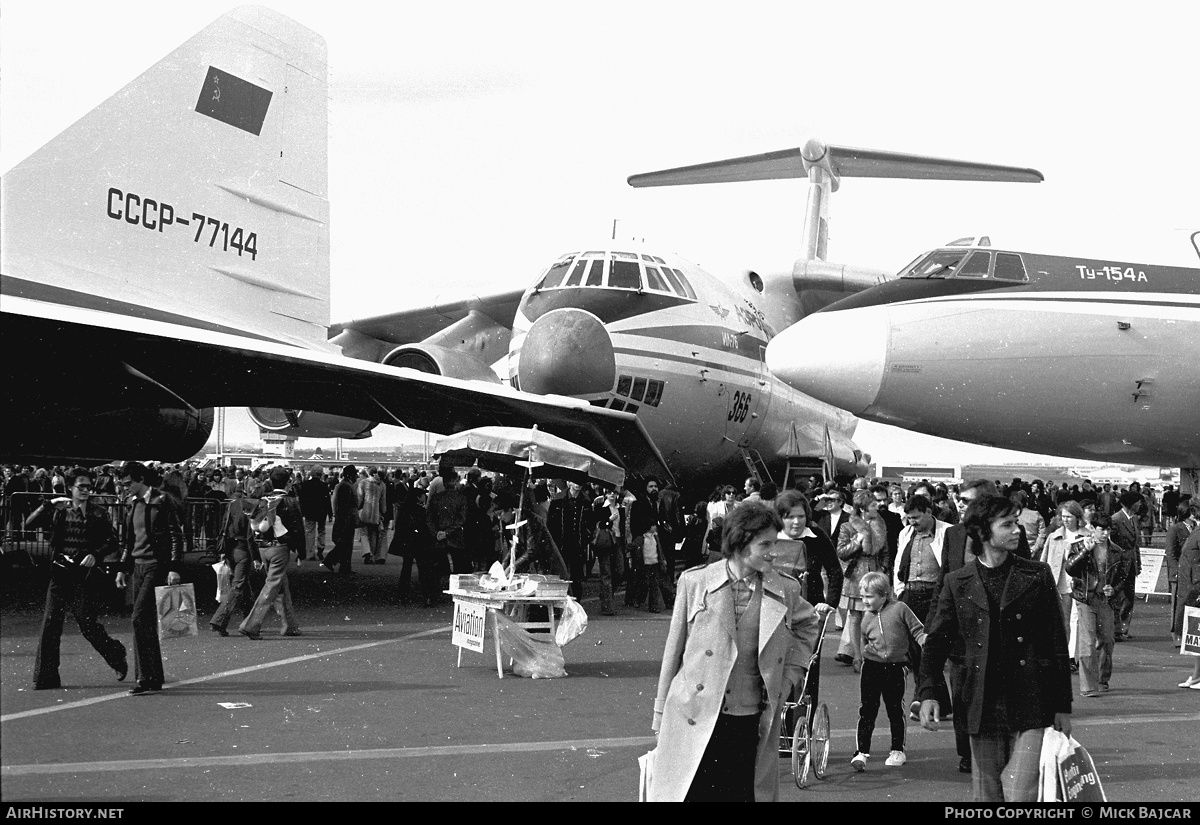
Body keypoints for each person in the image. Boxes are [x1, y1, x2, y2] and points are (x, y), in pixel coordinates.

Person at [648, 502, 819, 801]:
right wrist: (660, 712)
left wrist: (790, 675)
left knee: (742, 794)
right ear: (740, 542)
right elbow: (673, 650)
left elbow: (809, 626)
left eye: (775, 543)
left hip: (750, 717)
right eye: (765, 544)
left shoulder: (785, 589)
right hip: (694, 712)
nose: (774, 552)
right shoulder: (695, 581)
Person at [918, 495, 1072, 802]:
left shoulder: (1037, 575)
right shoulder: (956, 581)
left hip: (1031, 702)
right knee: (987, 795)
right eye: (1008, 524)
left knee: (1021, 792)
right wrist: (928, 693)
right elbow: (936, 642)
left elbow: (1056, 642)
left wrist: (1062, 706)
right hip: (980, 702)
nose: (1017, 530)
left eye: (1016, 522)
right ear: (983, 532)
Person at [27, 468, 128, 690]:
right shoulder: (59, 510)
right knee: (51, 623)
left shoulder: (98, 513)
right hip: (59, 573)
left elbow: (112, 540)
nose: (85, 490)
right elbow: (29, 525)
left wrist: (96, 554)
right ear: (70, 487)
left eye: (88, 486)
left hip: (84, 577)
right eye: (81, 486)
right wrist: (47, 505)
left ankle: (115, 653)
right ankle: (46, 676)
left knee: (88, 625)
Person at [114, 461, 184, 696]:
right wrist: (123, 568)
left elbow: (176, 535)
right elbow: (129, 540)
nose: (124, 488)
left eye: (127, 483)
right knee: (144, 621)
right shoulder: (132, 504)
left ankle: (144, 677)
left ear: (140, 480)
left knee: (139, 618)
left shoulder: (163, 501)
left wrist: (174, 567)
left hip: (156, 566)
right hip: (138, 567)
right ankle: (153, 676)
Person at [852, 570, 927, 771]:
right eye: (863, 596)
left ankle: (897, 750)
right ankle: (861, 751)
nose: (865, 601)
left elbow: (917, 629)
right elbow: (863, 639)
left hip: (896, 667)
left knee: (895, 709)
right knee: (867, 708)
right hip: (872, 666)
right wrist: (860, 656)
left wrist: (924, 642)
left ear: (884, 594)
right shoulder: (865, 618)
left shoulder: (900, 608)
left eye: (870, 597)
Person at [892, 494, 954, 720]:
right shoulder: (905, 533)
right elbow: (898, 562)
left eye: (916, 518)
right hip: (910, 594)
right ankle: (938, 703)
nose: (912, 523)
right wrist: (900, 592)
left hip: (935, 596)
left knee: (930, 649)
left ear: (929, 511)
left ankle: (922, 700)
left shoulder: (948, 532)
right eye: (908, 518)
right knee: (915, 652)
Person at [238, 468, 303, 639]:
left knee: (281, 585)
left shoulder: (262, 500)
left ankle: (290, 624)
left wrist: (256, 555)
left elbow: (251, 531)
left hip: (263, 547)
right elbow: (298, 528)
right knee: (272, 585)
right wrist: (301, 551)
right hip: (280, 548)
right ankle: (251, 624)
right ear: (288, 482)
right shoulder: (290, 501)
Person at [1064, 509, 1116, 697]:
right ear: (1092, 528)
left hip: (1105, 600)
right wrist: (1086, 550)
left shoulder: (1115, 550)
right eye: (1101, 530)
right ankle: (1088, 686)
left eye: (1108, 530)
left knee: (1107, 641)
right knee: (1087, 643)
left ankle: (1102, 679)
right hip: (1085, 599)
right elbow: (1069, 568)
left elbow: (1121, 577)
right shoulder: (1079, 546)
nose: (1105, 534)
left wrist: (1114, 589)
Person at [835, 491, 887, 671]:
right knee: (855, 618)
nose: (877, 507)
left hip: (875, 572)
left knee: (874, 617)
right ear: (863, 508)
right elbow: (841, 552)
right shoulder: (848, 526)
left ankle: (871, 654)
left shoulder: (880, 524)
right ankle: (857, 656)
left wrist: (885, 569)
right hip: (855, 575)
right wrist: (858, 540)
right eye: (873, 505)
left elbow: (886, 551)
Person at [208, 492, 258, 636]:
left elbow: (223, 529)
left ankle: (249, 620)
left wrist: (223, 551)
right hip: (243, 550)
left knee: (243, 586)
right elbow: (250, 536)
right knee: (238, 586)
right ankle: (218, 620)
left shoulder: (230, 508)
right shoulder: (247, 508)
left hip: (231, 550)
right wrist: (256, 557)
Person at [547, 480, 595, 600]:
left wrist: (586, 538)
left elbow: (590, 522)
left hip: (577, 544)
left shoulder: (586, 500)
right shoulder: (558, 499)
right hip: (561, 542)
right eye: (575, 480)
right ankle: (559, 603)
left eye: (579, 480)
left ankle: (576, 603)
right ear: (569, 482)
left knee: (577, 576)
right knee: (560, 574)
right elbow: (551, 522)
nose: (578, 483)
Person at [1109, 491, 1143, 640]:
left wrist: (1138, 563)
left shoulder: (1134, 520)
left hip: (1131, 564)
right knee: (1116, 597)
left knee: (1129, 597)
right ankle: (1115, 629)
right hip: (1119, 565)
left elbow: (1135, 545)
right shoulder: (1115, 520)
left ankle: (1123, 628)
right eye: (1138, 501)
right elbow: (1112, 544)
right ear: (1131, 503)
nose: (1140, 504)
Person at [1166, 501, 1198, 643]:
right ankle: (1176, 634)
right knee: (1177, 605)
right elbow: (1171, 552)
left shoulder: (1195, 528)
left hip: (1192, 573)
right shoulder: (1176, 529)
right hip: (1180, 572)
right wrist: (1174, 572)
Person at [592, 489, 627, 616]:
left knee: (620, 570)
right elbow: (597, 524)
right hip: (606, 541)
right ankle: (607, 606)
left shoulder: (621, 508)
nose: (612, 495)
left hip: (618, 541)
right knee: (606, 572)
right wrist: (609, 520)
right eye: (609, 492)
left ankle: (606, 594)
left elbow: (623, 526)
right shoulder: (601, 507)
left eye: (614, 493)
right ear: (605, 494)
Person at [324, 465, 360, 575]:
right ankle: (339, 564)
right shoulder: (346, 486)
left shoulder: (344, 485)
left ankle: (342, 565)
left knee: (345, 544)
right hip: (346, 519)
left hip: (345, 518)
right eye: (355, 474)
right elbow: (345, 505)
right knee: (346, 544)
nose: (356, 476)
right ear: (350, 475)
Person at [298, 467, 332, 562]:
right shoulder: (324, 485)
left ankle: (310, 552)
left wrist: (302, 511)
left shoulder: (305, 484)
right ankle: (320, 549)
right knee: (321, 530)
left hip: (309, 511)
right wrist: (330, 513)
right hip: (321, 512)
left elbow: (302, 499)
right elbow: (327, 500)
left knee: (309, 531)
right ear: (321, 474)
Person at [356, 467, 388, 565]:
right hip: (376, 513)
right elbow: (383, 501)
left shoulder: (363, 483)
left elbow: (360, 498)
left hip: (365, 511)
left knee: (364, 533)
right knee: (374, 534)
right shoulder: (381, 484)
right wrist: (383, 511)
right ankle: (373, 555)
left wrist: (357, 508)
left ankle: (367, 552)